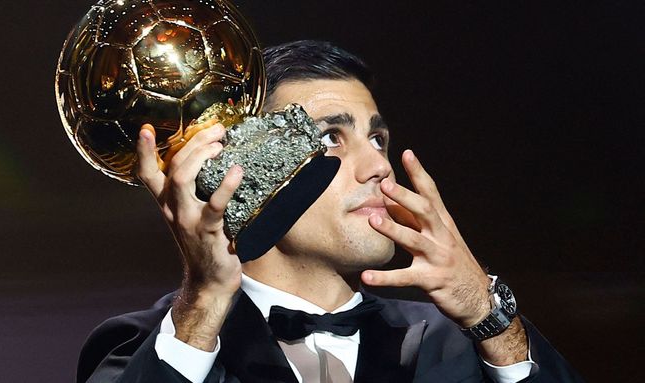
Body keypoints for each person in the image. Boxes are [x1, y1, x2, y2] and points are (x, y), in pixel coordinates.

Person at [77, 40, 583, 383]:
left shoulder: (459, 347)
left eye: (377, 138)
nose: (377, 167)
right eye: (329, 137)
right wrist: (203, 303)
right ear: (243, 167)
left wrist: (487, 312)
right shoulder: (152, 342)